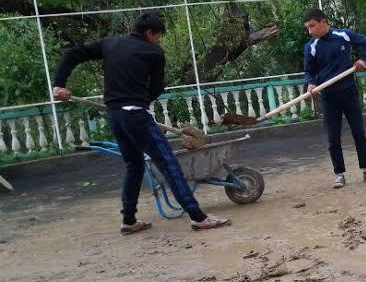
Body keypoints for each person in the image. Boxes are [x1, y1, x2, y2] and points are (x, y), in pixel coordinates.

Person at [51, 12, 231, 235]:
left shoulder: (110, 44)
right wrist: (140, 100)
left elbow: (72, 53)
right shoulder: (153, 52)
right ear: (149, 33)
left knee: (134, 165)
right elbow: (156, 88)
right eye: (157, 36)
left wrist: (59, 84)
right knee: (169, 164)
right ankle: (198, 217)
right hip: (136, 115)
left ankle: (128, 220)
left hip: (115, 116)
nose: (157, 40)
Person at [302, 8, 366, 188]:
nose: (310, 31)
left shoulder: (343, 35)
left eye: (312, 26)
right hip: (329, 97)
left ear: (323, 22)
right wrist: (311, 83)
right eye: (307, 28)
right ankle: (339, 174)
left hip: (349, 92)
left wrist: (363, 60)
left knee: (359, 133)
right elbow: (309, 71)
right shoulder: (311, 46)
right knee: (333, 137)